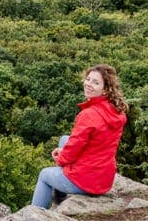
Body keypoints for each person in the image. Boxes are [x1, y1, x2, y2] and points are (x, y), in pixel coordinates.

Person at [30, 64, 129, 209]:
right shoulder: (116, 111)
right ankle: (61, 195)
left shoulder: (89, 115)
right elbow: (80, 143)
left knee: (44, 175)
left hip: (86, 181)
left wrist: (60, 158)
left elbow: (73, 150)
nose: (88, 84)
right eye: (88, 79)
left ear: (106, 89)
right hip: (103, 178)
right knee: (65, 139)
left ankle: (35, 216)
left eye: (96, 82)